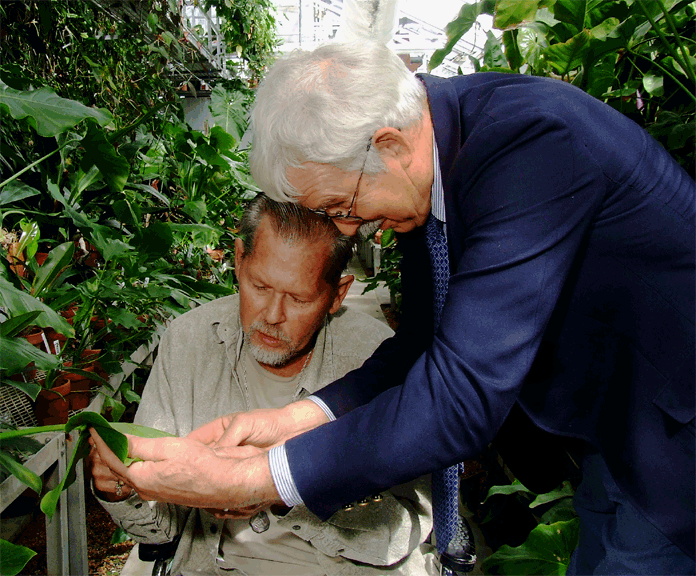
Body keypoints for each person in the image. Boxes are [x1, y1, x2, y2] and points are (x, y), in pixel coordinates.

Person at [92, 41, 695, 575]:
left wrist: (252, 478)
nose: (347, 227)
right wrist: (297, 420)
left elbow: (460, 398)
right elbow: (427, 344)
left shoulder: (532, 145)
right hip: (617, 435)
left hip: (677, 433)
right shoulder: (425, 163)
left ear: (388, 144)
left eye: (341, 204)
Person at [88, 194, 438, 576]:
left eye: (299, 298)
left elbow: (408, 526)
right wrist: (120, 489)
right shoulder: (187, 342)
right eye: (260, 287)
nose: (272, 316)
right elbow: (160, 529)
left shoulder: (377, 358)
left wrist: (279, 489)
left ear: (336, 294)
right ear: (238, 260)